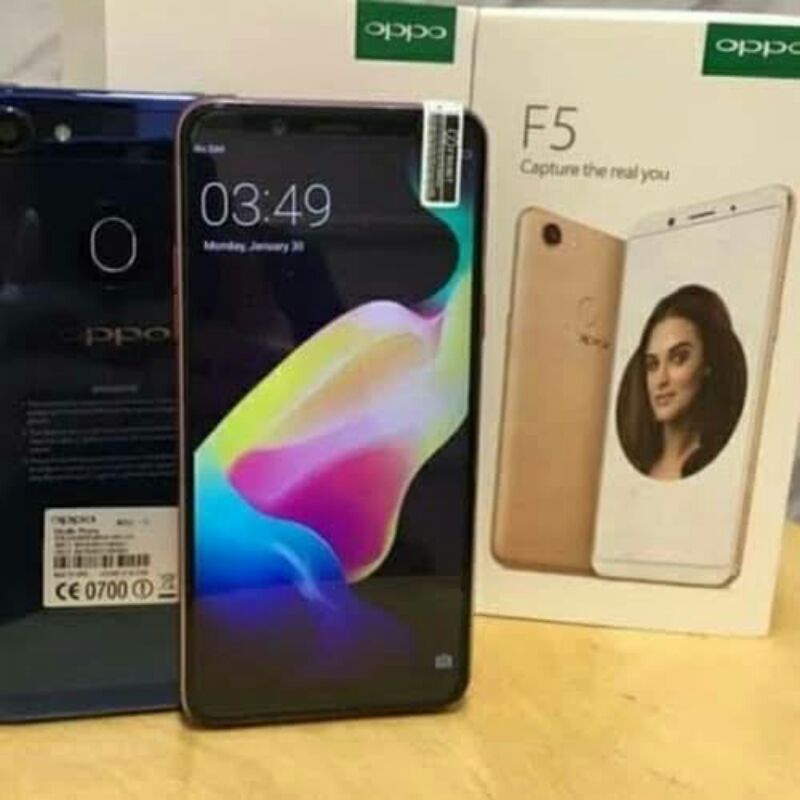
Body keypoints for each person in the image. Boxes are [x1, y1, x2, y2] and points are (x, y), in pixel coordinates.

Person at [617, 284, 746, 480]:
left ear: (708, 363)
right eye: (652, 365)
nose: (661, 380)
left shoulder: (725, 466)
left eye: (678, 358)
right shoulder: (635, 465)